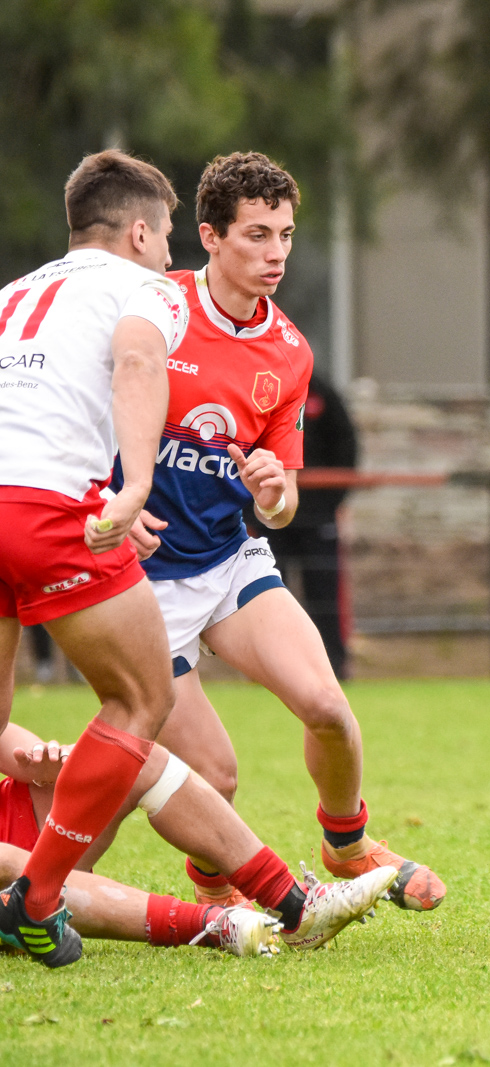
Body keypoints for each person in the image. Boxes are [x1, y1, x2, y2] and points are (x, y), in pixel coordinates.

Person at [122, 152, 444, 912]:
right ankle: (217, 885)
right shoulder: (150, 311)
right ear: (209, 235)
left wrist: (273, 493)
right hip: (138, 587)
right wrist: (110, 499)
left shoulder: (289, 351)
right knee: (217, 776)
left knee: (330, 710)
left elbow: (285, 504)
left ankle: (346, 840)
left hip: (229, 562)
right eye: (258, 235)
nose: (276, 254)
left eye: (287, 236)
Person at [0, 149, 192, 968]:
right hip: (46, 512)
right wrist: (136, 481)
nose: (173, 252)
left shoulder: (12, 294)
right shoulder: (144, 287)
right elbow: (140, 363)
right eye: (171, 233)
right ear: (141, 230)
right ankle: (36, 900)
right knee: (141, 697)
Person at [0, 721, 397, 954]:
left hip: (20, 820)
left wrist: (49, 760)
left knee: (131, 756)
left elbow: (19, 750)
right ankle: (215, 922)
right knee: (17, 872)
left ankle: (296, 907)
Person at [263, 372, 358, 679]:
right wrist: (253, 513)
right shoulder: (263, 389)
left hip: (318, 515)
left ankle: (334, 665)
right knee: (272, 592)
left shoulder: (322, 391)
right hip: (271, 516)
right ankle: (279, 669)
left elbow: (346, 445)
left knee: (324, 592)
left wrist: (334, 501)